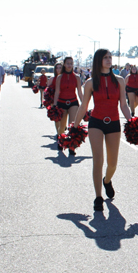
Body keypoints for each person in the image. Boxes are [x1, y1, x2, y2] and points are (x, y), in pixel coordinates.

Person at [75, 49, 132, 212]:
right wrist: (75, 125)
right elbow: (84, 106)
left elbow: (123, 104)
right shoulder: (91, 83)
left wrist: (131, 120)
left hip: (113, 122)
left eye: (110, 57)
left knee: (112, 163)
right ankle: (98, 196)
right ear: (99, 60)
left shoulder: (120, 80)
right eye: (105, 57)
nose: (108, 60)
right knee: (98, 159)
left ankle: (107, 180)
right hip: (96, 122)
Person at [54, 57, 83, 155]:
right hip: (61, 102)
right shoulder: (60, 77)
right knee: (62, 127)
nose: (70, 65)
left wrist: (84, 104)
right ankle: (60, 140)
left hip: (73, 102)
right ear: (64, 65)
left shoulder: (77, 77)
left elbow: (79, 92)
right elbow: (57, 92)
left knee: (72, 125)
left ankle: (72, 147)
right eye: (68, 63)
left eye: (71, 63)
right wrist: (54, 105)